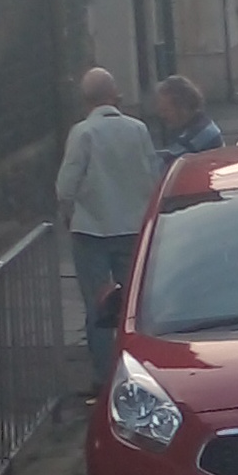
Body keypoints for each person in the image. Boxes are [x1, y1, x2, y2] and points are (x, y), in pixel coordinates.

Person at [57, 68, 163, 392]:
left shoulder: (83, 133)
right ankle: (142, 369)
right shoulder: (138, 129)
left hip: (92, 231)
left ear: (85, 99)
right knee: (136, 303)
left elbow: (66, 185)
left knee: (98, 307)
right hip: (132, 228)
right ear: (113, 94)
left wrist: (69, 211)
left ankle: (104, 378)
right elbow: (153, 173)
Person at [155, 76, 223, 158]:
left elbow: (166, 161)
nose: (162, 115)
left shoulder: (199, 134)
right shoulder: (191, 125)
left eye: (166, 110)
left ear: (183, 107)